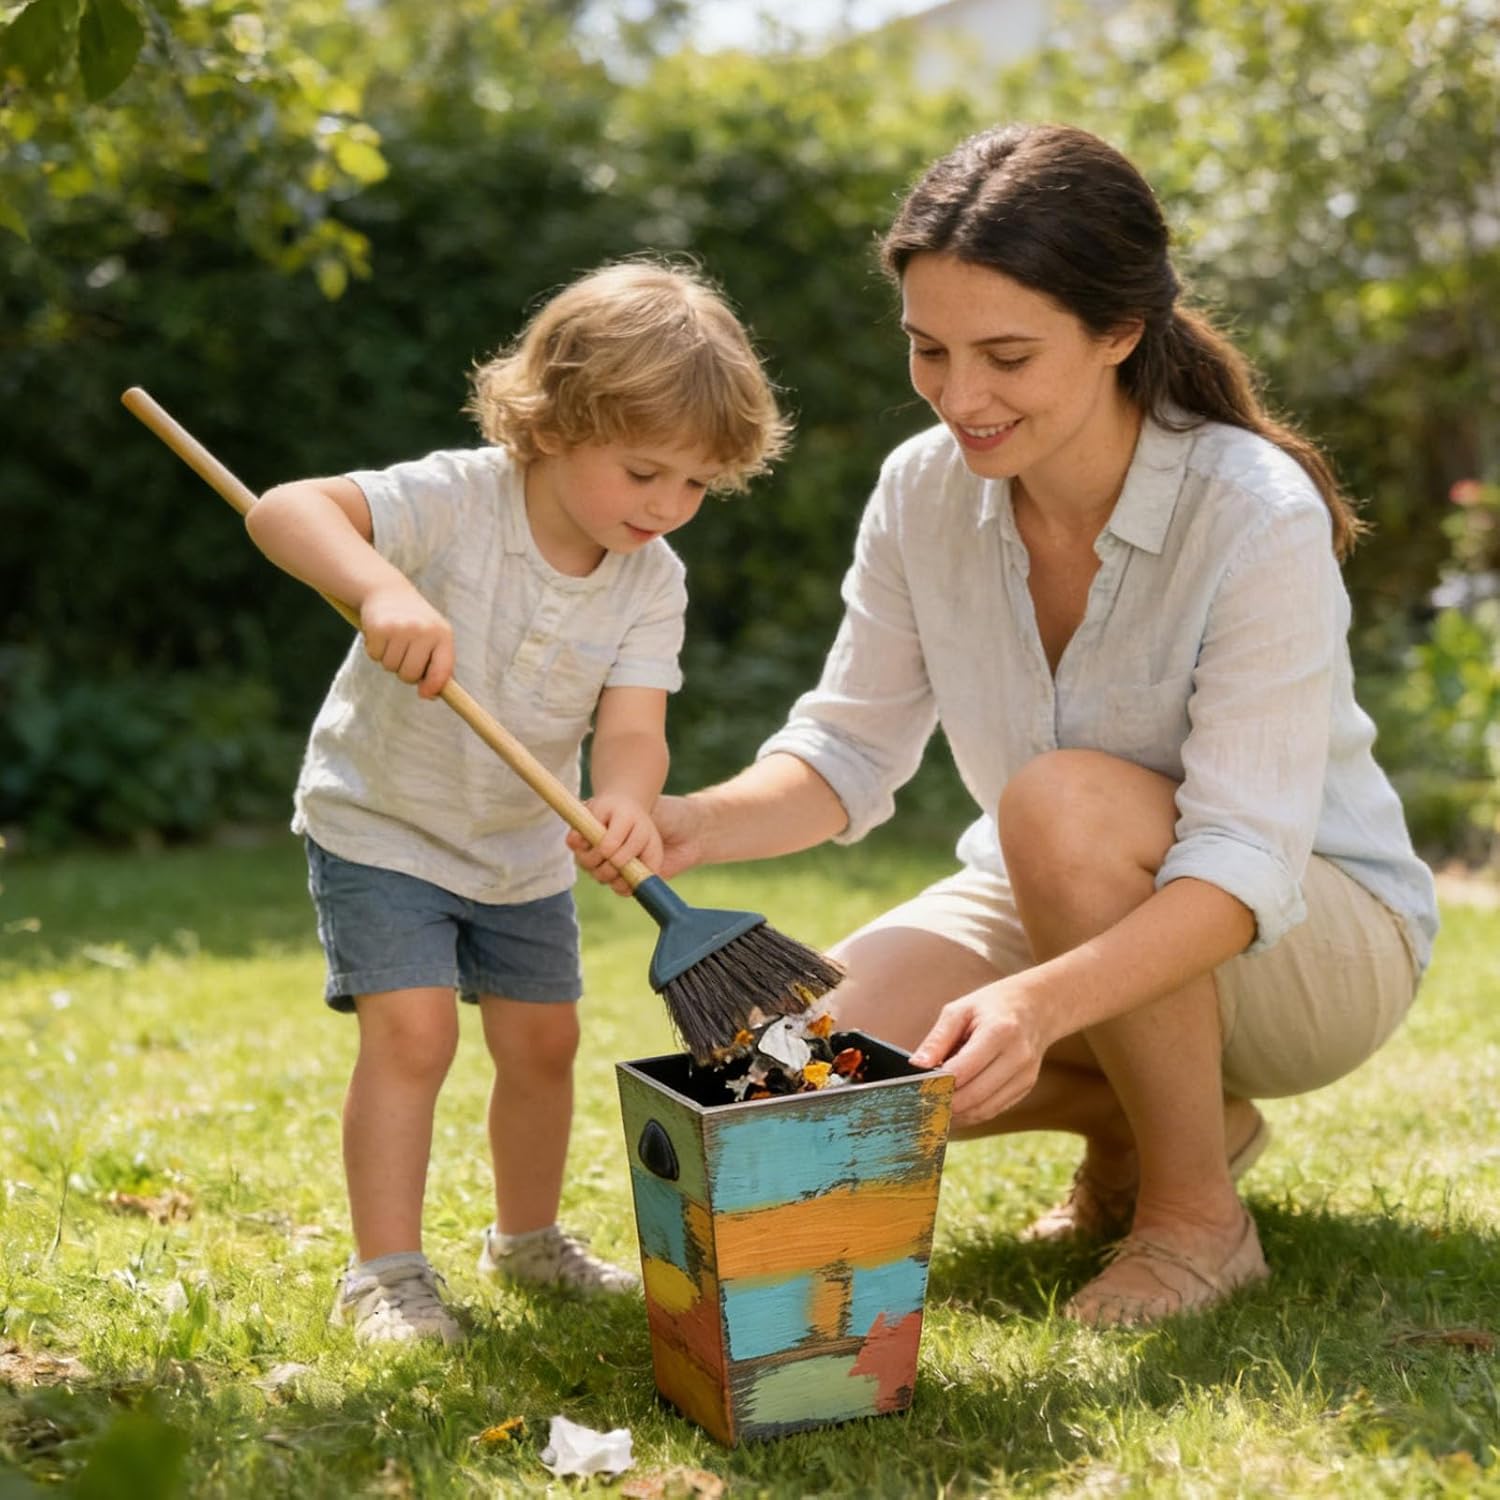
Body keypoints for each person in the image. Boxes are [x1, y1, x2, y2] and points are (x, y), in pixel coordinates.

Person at [576, 125, 1439, 1328]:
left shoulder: (1252, 512)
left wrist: (1039, 1005)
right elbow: (845, 751)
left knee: (1060, 803)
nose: (960, 397)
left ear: (1120, 334)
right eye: (930, 350)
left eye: (1008, 355)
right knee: (796, 1072)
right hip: (1058, 895)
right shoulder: (923, 492)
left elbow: (1244, 867)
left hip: (1308, 939)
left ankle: (1195, 1217)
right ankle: (1166, 1127)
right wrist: (681, 825)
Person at [246, 259, 790, 1345]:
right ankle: (387, 1277)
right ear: (554, 424)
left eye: (694, 485)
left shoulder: (652, 578)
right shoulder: (455, 501)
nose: (669, 506)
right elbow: (284, 510)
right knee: (413, 1038)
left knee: (543, 1046)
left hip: (520, 851)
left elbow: (633, 728)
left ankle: (528, 1241)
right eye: (646, 472)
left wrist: (626, 802)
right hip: (386, 823)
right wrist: (381, 586)